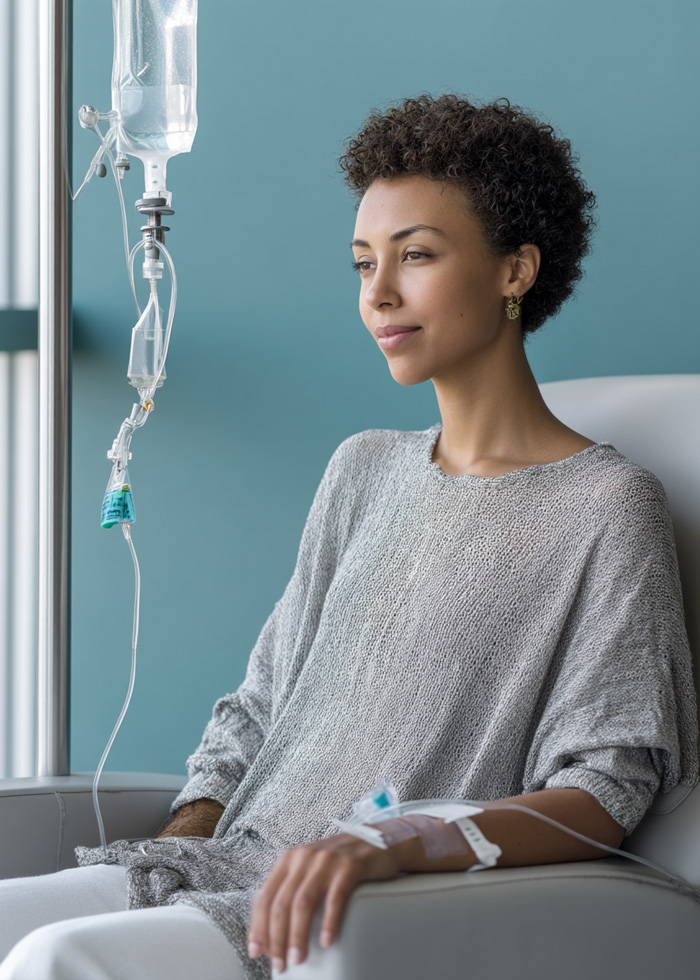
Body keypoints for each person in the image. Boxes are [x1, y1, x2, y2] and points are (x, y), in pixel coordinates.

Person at [0, 93, 697, 980]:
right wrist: (171, 857)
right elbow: (255, 713)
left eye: (418, 256)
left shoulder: (608, 505)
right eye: (364, 262)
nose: (379, 294)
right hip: (227, 864)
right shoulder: (362, 468)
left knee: (58, 960)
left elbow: (605, 788)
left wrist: (393, 844)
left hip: (364, 900)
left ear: (516, 269)